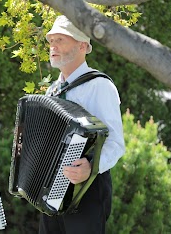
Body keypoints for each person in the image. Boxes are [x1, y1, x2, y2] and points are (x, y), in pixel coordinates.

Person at [39, 15, 125, 234]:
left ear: (83, 46)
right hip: (51, 194)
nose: (53, 46)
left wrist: (91, 167)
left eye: (61, 40)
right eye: (51, 41)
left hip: (87, 192)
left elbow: (115, 143)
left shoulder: (100, 86)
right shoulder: (53, 91)